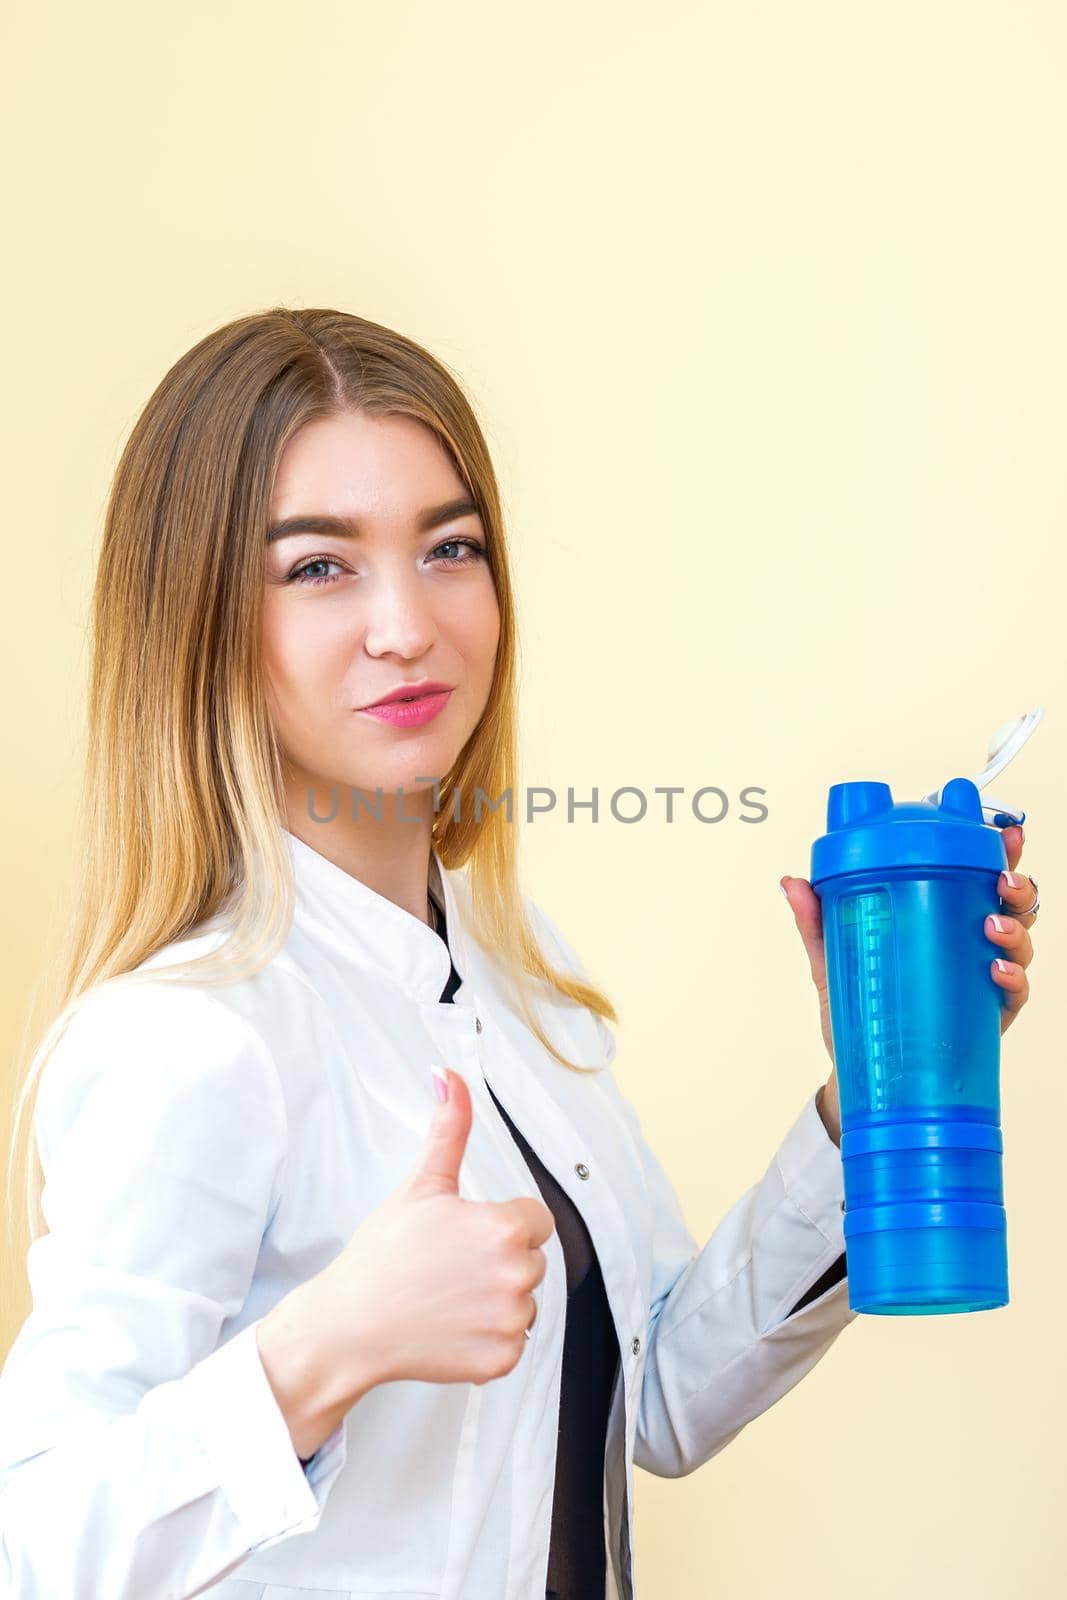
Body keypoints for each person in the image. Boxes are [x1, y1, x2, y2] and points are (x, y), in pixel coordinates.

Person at [0, 307, 1038, 1600]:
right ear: (199, 621)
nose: (408, 625)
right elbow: (35, 1544)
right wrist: (323, 1352)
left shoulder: (507, 958)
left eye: (450, 549)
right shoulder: (195, 1030)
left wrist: (867, 1092)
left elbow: (655, 1398)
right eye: (320, 567)